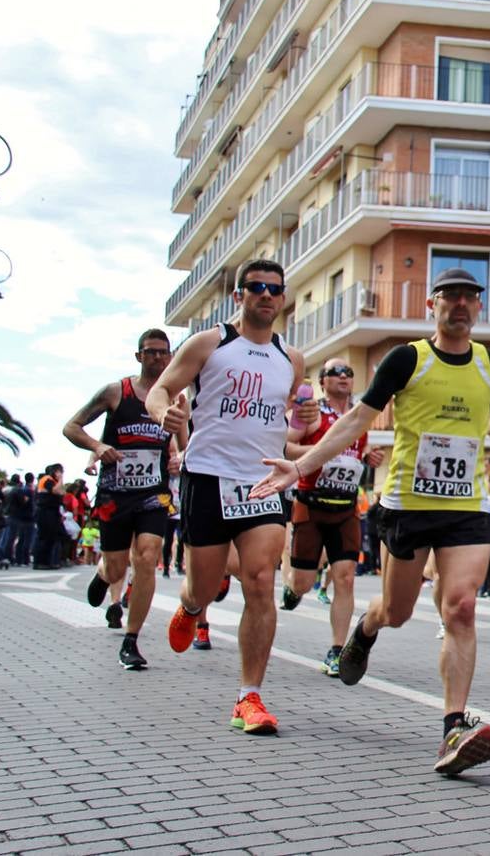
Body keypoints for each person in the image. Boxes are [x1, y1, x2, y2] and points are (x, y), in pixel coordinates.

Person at [248, 266, 490, 774]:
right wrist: (300, 465)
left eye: (469, 298)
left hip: (465, 507)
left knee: (461, 607)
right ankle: (366, 629)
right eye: (449, 297)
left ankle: (454, 727)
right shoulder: (407, 359)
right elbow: (357, 420)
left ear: (479, 308)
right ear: (432, 306)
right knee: (397, 610)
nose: (459, 305)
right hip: (407, 505)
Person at [146, 259, 312, 735]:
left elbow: (280, 419)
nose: (267, 296)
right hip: (207, 477)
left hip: (260, 482)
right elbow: (161, 390)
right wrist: (165, 418)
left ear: (283, 299)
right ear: (239, 295)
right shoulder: (209, 343)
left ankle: (249, 696)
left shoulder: (291, 358)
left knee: (260, 579)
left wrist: (305, 427)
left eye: (275, 290)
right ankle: (193, 606)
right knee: (204, 582)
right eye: (257, 288)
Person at [63, 329, 179, 671]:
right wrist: (98, 447)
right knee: (117, 566)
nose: (158, 358)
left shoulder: (175, 400)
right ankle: (103, 574)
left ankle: (132, 639)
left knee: (146, 558)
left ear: (171, 357)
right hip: (114, 494)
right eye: (150, 352)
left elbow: (186, 442)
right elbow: (72, 426)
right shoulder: (117, 392)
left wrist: (178, 458)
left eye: (163, 352)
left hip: (153, 494)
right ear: (138, 356)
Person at [278, 356, 383, 678]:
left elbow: (355, 453)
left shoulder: (359, 415)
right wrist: (323, 451)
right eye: (335, 372)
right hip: (311, 503)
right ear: (322, 381)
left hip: (346, 506)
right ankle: (293, 587)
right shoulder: (311, 413)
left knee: (346, 576)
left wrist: (366, 457)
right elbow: (285, 447)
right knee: (302, 581)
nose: (343, 377)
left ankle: (337, 649)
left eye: (348, 372)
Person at [32, 465, 66, 571]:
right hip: (45, 511)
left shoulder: (54, 481)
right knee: (44, 536)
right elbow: (56, 491)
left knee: (53, 536)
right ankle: (40, 562)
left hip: (53, 511)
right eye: (60, 471)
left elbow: (62, 492)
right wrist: (60, 479)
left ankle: (48, 561)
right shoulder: (47, 479)